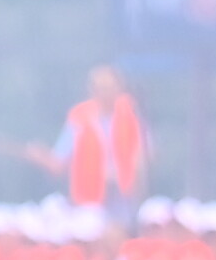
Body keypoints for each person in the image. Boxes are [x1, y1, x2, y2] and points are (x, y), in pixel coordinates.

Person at [19, 64, 146, 209]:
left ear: (119, 88)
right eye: (101, 88)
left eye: (109, 87)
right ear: (91, 90)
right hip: (89, 203)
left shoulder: (131, 114)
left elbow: (144, 156)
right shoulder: (79, 118)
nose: (105, 93)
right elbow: (58, 162)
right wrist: (41, 157)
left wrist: (134, 182)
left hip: (125, 199)